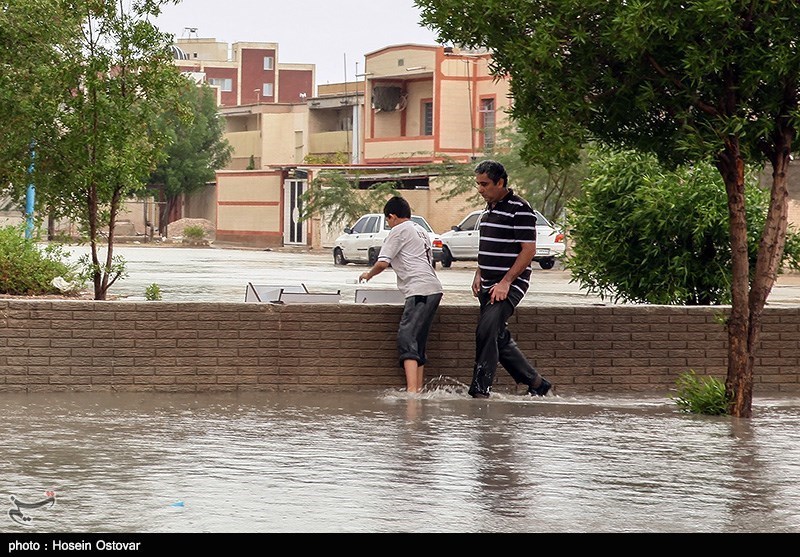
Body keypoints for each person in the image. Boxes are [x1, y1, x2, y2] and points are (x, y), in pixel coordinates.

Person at [468, 160, 553, 398]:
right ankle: (537, 384)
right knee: (498, 338)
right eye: (478, 184)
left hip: (509, 285)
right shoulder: (489, 209)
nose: (480, 189)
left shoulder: (520, 208)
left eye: (484, 184)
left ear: (500, 182)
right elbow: (488, 246)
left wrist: (506, 282)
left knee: (486, 332)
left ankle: (480, 391)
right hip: (487, 283)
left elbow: (528, 251)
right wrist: (479, 272)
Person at [359, 196, 444, 393]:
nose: (388, 224)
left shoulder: (398, 230)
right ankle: (419, 390)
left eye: (388, 220)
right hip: (434, 288)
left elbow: (382, 262)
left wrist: (368, 275)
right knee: (418, 340)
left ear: (392, 216)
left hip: (419, 290)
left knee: (406, 338)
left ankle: (412, 392)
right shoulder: (420, 230)